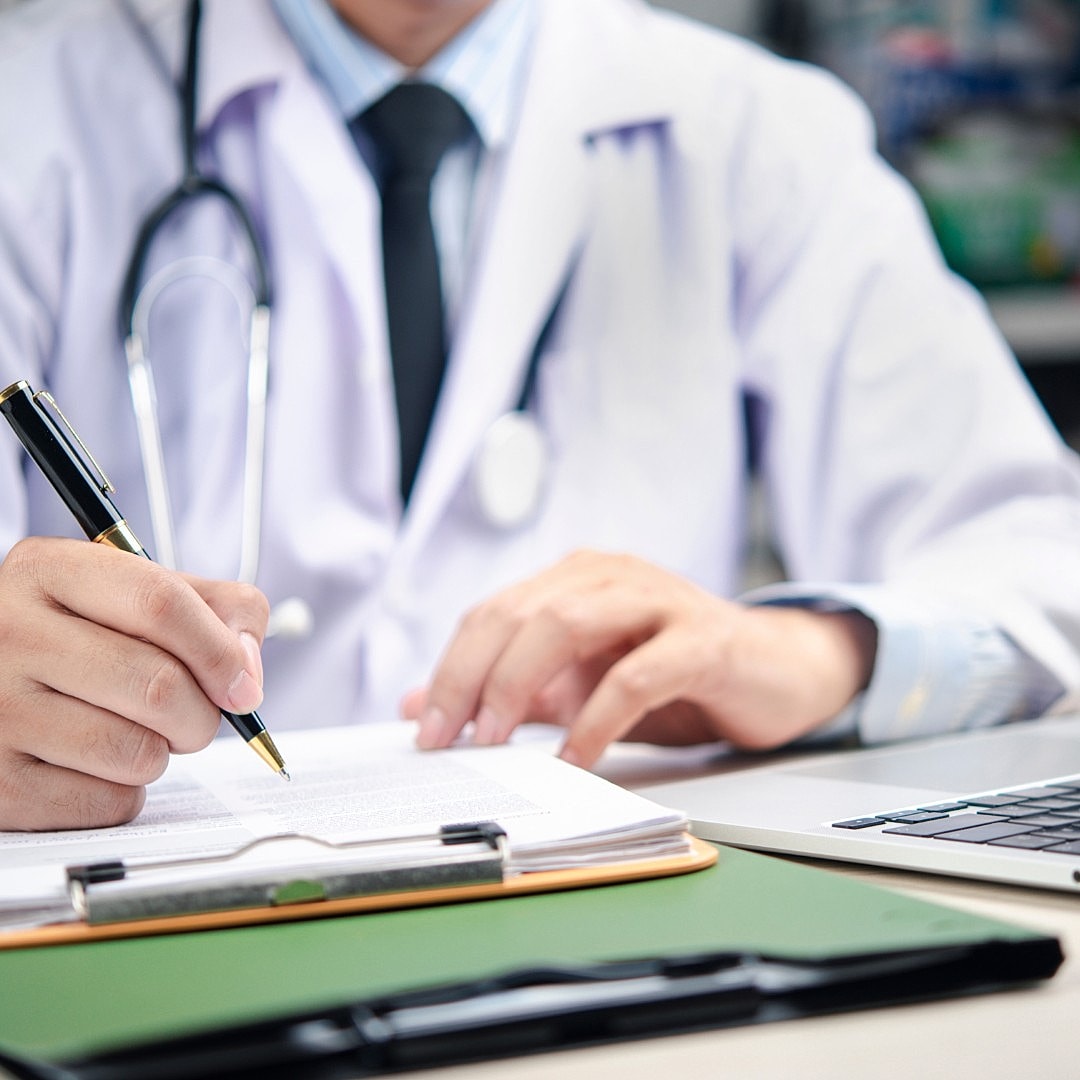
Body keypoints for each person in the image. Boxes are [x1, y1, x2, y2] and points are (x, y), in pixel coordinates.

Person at [1, 0, 1078, 833]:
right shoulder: (31, 107)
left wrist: (814, 651)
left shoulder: (759, 131)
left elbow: (1039, 566)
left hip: (608, 953)